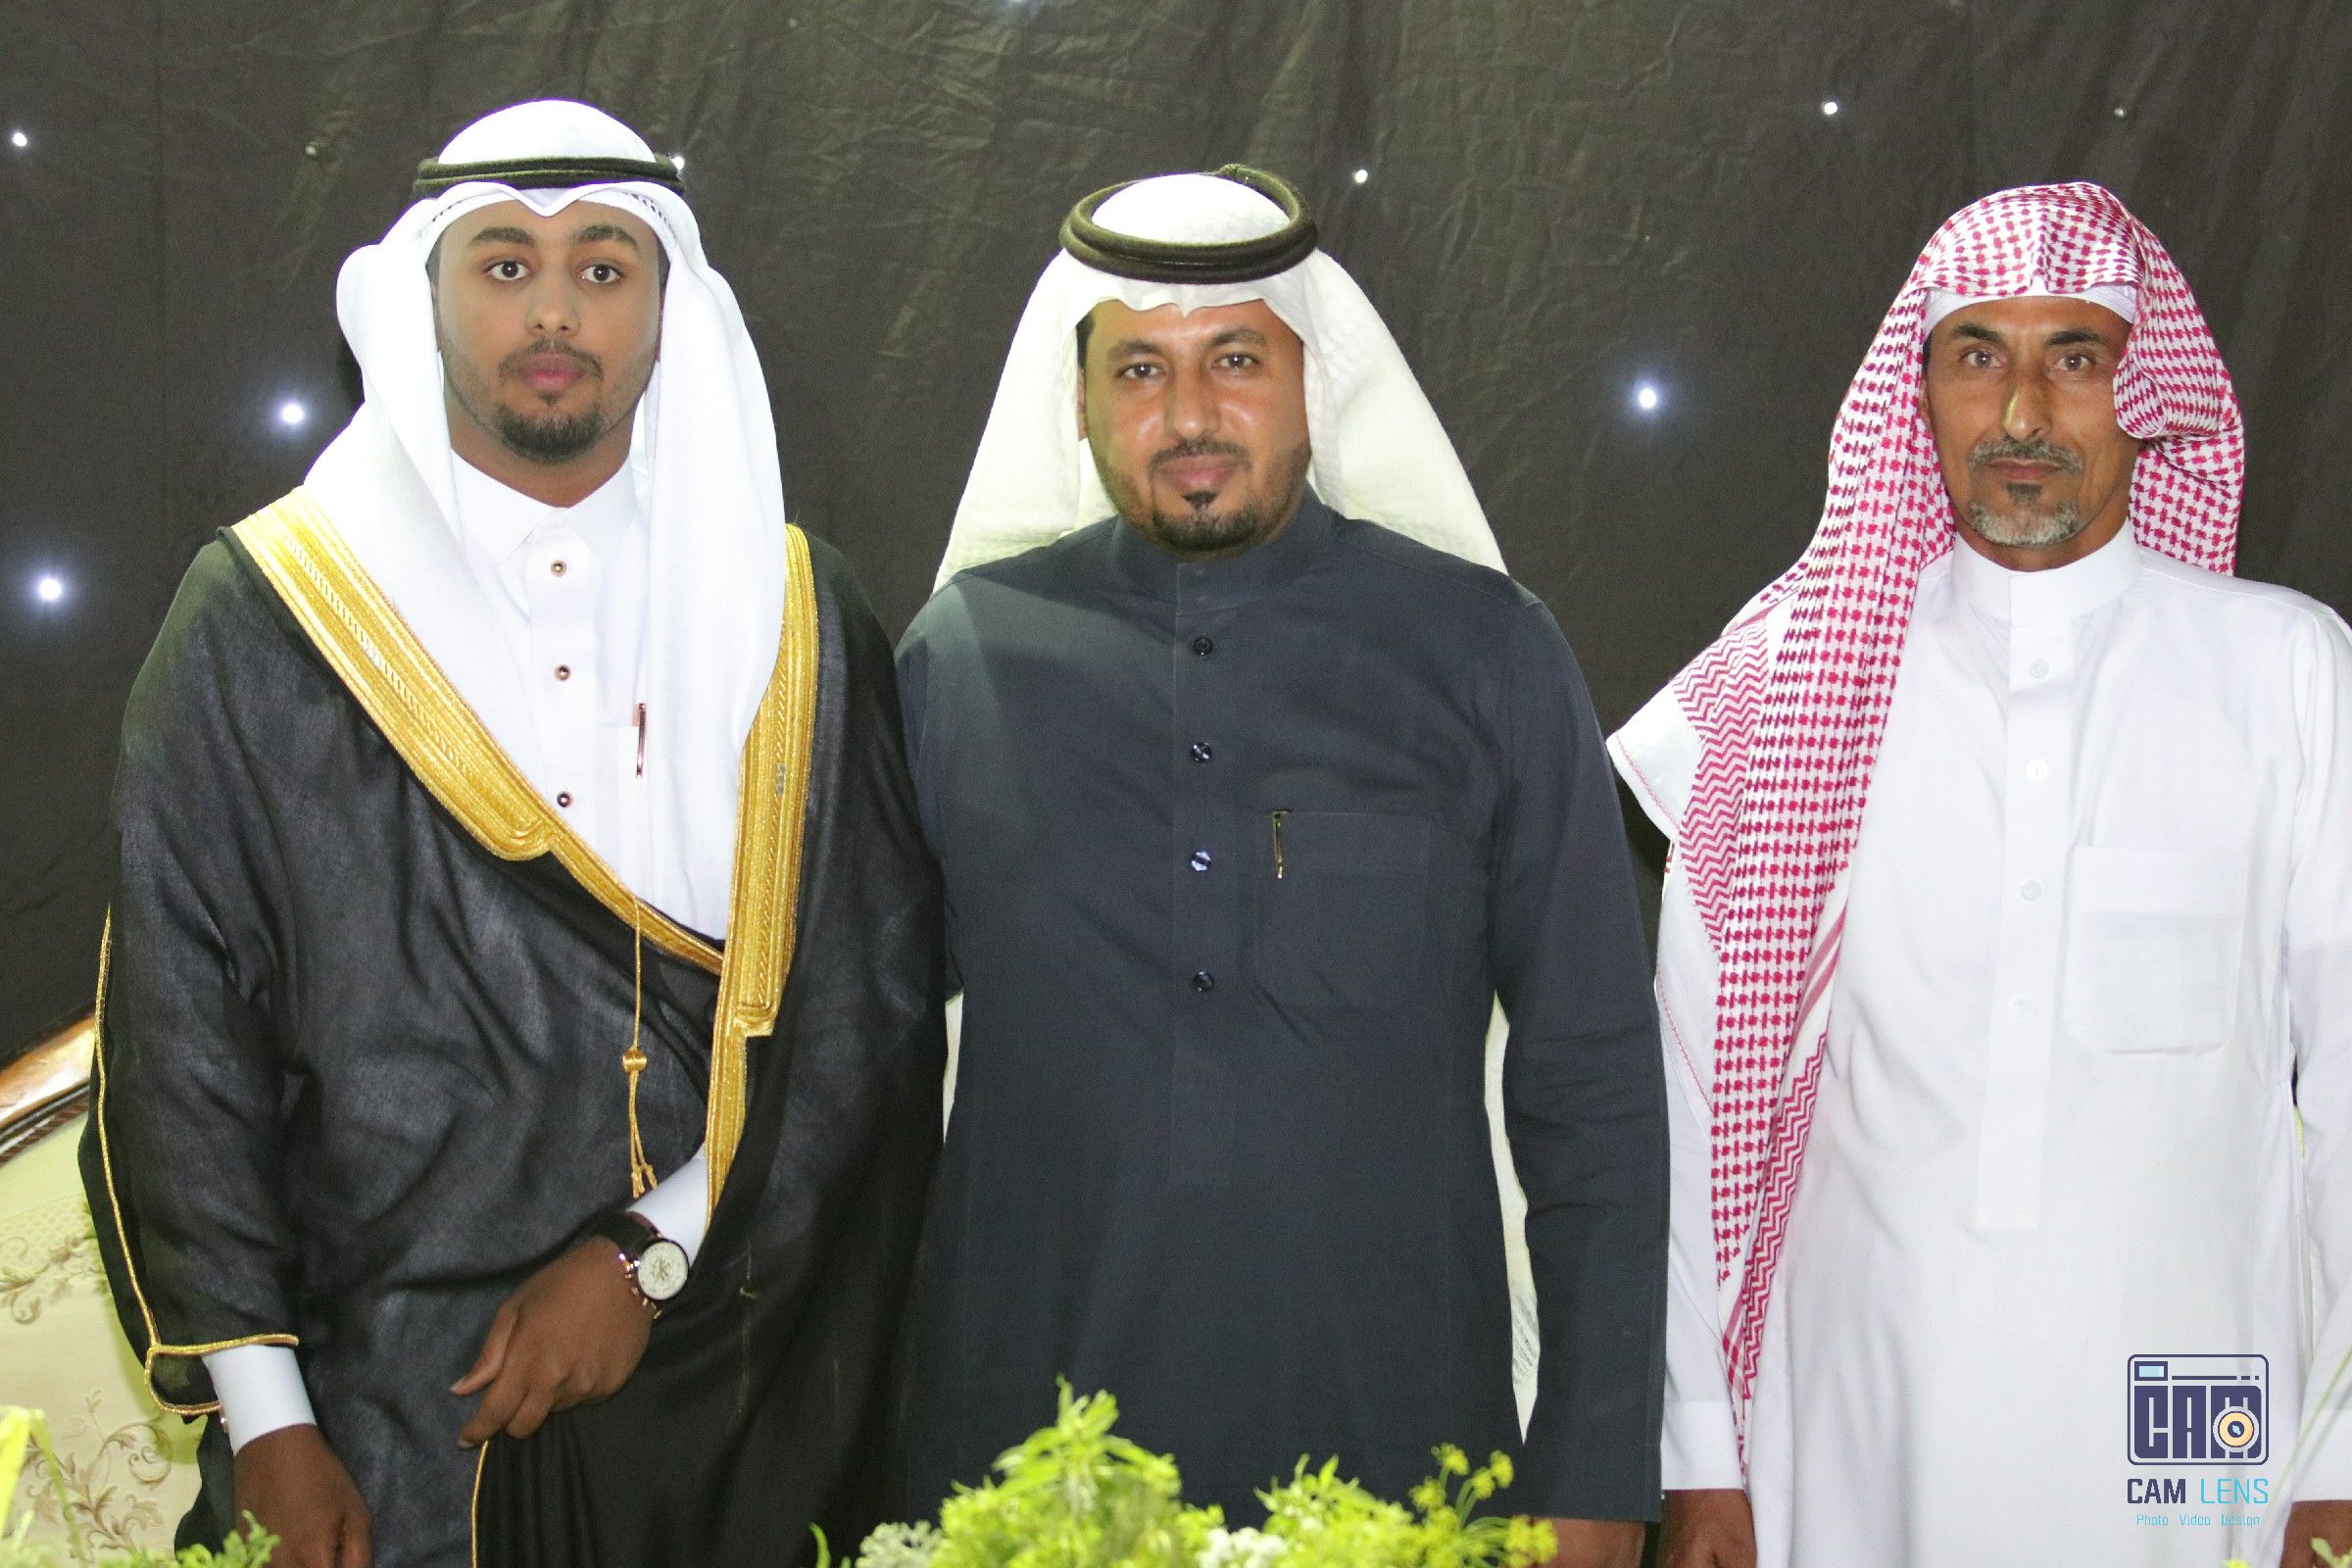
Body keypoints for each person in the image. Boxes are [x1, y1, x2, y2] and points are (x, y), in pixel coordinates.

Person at [80, 99, 944, 1568]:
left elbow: (868, 1011)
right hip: (381, 1394)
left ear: (668, 311)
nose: (553, 311)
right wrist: (270, 1421)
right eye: (502, 265)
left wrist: (650, 1252)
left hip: (736, 1368)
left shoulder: (797, 617)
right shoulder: (269, 615)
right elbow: (181, 1033)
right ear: (425, 298)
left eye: (603, 267)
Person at [893, 166, 1666, 1566]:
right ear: (1082, 402)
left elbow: (1594, 1083)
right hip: (1021, 1471)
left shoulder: (1486, 651)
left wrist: (1599, 1470)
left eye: (1237, 359)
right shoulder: (963, 659)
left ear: (1319, 380)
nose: (1190, 415)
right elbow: (855, 1077)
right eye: (1139, 368)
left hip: (1401, 1461)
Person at [1609, 182, 2352, 1568]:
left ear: (2147, 388)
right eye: (1976, 357)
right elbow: (1696, 1094)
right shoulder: (1789, 687)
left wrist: (2347, 1451)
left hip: (2191, 1400)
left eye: (2075, 357)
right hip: (1864, 1403)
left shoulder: (2286, 672)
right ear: (1923, 390)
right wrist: (1702, 1450)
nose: (2021, 412)